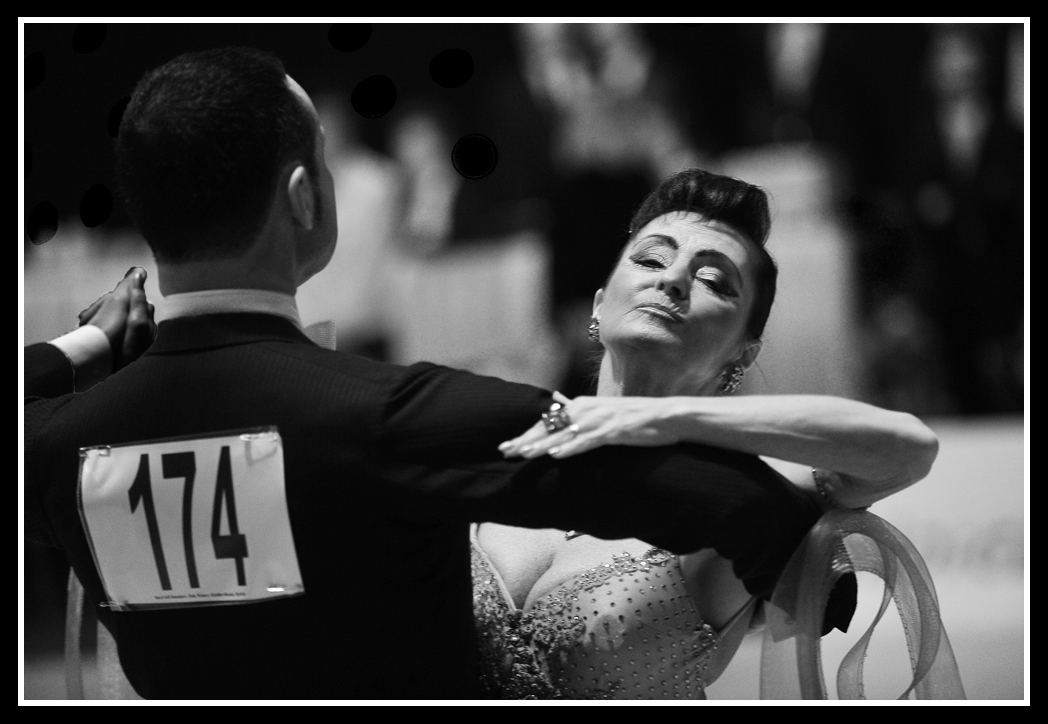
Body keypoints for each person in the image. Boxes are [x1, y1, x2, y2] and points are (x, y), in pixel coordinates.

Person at [25, 48, 835, 701]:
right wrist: (791, 547)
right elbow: (709, 497)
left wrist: (73, 356)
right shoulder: (386, 414)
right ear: (304, 198)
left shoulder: (61, 441)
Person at [471, 168, 962, 699]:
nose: (672, 279)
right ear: (597, 304)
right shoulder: (500, 443)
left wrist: (666, 419)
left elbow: (908, 450)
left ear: (742, 353)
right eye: (650, 259)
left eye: (713, 281)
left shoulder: (738, 500)